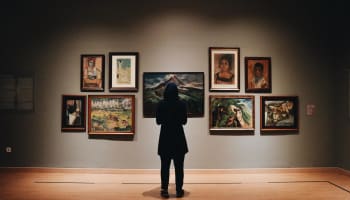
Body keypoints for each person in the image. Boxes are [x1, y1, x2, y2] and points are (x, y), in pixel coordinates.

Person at [156, 82, 188, 198]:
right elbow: (184, 121)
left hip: (165, 138)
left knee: (165, 166)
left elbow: (158, 121)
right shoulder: (182, 104)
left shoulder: (161, 104)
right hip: (178, 137)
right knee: (179, 166)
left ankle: (164, 190)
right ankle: (179, 190)